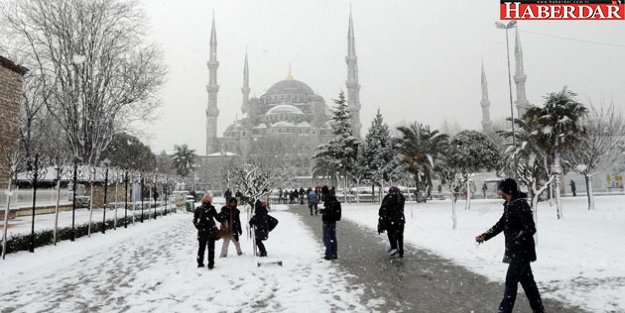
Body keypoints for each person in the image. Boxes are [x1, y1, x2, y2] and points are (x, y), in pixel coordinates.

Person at [475, 178, 545, 313]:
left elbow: (530, 228)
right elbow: (500, 225)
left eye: (502, 190)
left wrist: (519, 238)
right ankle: (539, 309)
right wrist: (485, 236)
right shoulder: (510, 205)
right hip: (516, 252)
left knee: (511, 281)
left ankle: (505, 310)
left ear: (508, 191)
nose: (500, 193)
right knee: (528, 284)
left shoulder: (521, 205)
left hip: (522, 252)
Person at [193, 192, 223, 270]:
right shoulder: (211, 208)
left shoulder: (198, 209)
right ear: (210, 200)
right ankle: (211, 263)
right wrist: (223, 215)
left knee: (201, 248)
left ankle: (200, 262)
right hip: (211, 231)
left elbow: (194, 220)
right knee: (211, 248)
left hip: (201, 231)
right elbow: (218, 218)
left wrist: (198, 226)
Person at [378, 186, 406, 257]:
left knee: (391, 234)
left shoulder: (388, 198)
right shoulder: (401, 198)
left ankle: (394, 247)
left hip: (391, 219)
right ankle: (401, 251)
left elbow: (384, 208)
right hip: (400, 219)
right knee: (400, 235)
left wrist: (382, 216)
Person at [320, 185, 341, 260]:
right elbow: (332, 209)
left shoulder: (327, 199)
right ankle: (334, 253)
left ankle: (329, 254)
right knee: (333, 238)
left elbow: (329, 210)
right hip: (333, 221)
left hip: (327, 221)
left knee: (327, 238)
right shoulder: (333, 198)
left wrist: (323, 211)